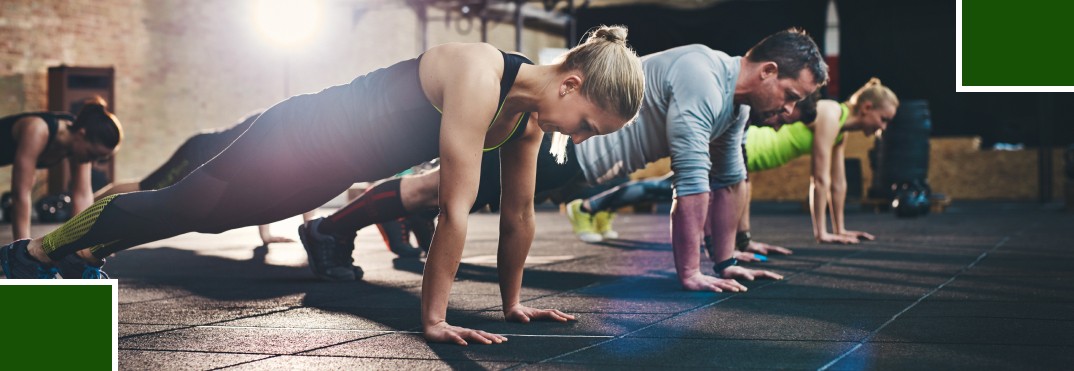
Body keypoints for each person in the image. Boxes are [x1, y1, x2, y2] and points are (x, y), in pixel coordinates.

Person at [1, 26, 646, 346]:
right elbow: (453, 208)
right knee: (186, 205)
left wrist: (511, 305)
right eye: (590, 125)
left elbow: (518, 216)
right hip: (302, 132)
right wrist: (435, 319)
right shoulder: (481, 72)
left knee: (212, 219)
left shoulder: (526, 120)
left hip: (327, 168)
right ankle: (34, 253)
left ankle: (83, 251)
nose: (583, 138)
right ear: (571, 85)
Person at [302, 28, 828, 293]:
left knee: (443, 191)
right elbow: (691, 182)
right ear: (767, 72)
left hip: (582, 161)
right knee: (438, 190)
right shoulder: (703, 74)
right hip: (566, 143)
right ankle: (328, 229)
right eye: (790, 94)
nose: (788, 110)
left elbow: (730, 180)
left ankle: (396, 216)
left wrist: (731, 255)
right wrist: (691, 271)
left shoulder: (733, 108)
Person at [94, 111, 311, 246]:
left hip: (212, 157)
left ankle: (90, 203)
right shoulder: (279, 129)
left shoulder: (291, 139)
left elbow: (277, 184)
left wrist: (268, 235)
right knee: (148, 188)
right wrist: (307, 232)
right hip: (197, 152)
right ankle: (91, 202)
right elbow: (274, 182)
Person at [738, 78, 898, 247]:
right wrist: (821, 233)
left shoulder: (841, 130)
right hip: (754, 146)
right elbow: (819, 178)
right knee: (736, 191)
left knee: (741, 191)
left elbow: (838, 183)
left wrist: (840, 229)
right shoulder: (831, 113)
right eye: (883, 119)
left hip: (757, 156)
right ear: (867, 108)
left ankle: (741, 243)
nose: (883, 127)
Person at [1, 97, 122, 242]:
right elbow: (20, 192)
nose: (93, 163)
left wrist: (84, 243)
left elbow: (82, 195)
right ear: (81, 134)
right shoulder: (37, 130)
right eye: (92, 155)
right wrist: (22, 249)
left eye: (99, 158)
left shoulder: (78, 138)